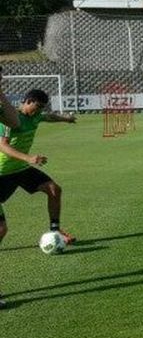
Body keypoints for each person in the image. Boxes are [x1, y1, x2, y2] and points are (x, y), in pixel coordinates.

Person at [0, 89, 77, 304]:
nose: (39, 111)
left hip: (21, 170)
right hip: (2, 174)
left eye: (42, 107)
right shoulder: (8, 119)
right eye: (37, 106)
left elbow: (49, 117)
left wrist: (66, 119)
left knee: (54, 189)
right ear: (27, 101)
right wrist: (28, 158)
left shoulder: (36, 116)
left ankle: (55, 230)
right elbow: (2, 146)